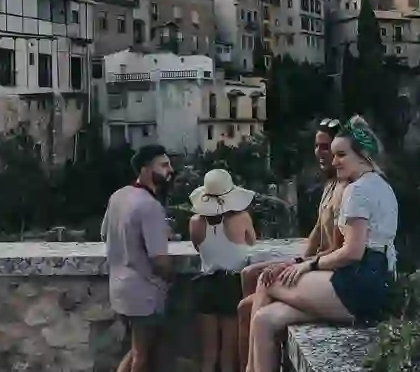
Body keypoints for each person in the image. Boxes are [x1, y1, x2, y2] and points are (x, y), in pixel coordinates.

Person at [248, 116, 399, 372]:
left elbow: (352, 251)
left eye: (342, 154)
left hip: (359, 284)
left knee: (268, 279)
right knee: (266, 320)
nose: (335, 160)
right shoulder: (382, 186)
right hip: (378, 282)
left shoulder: (357, 190)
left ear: (362, 155)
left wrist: (310, 265)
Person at [236, 118, 346, 371]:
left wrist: (303, 264)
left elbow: (338, 249)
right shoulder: (330, 185)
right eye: (317, 146)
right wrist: (297, 260)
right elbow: (317, 234)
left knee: (253, 296)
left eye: (326, 146)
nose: (320, 152)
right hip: (316, 263)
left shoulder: (346, 189)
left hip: (327, 271)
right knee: (249, 274)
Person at [101, 145, 175, 372]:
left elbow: (105, 233)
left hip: (120, 288)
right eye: (163, 166)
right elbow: (160, 260)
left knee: (136, 352)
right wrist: (171, 279)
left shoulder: (119, 195)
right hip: (144, 295)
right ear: (145, 170)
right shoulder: (150, 206)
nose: (170, 170)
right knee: (142, 356)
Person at [189, 168, 257, 372]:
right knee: (228, 354)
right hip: (231, 285)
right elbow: (252, 243)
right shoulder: (242, 218)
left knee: (208, 355)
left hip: (205, 284)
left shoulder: (195, 223)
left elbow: (198, 248)